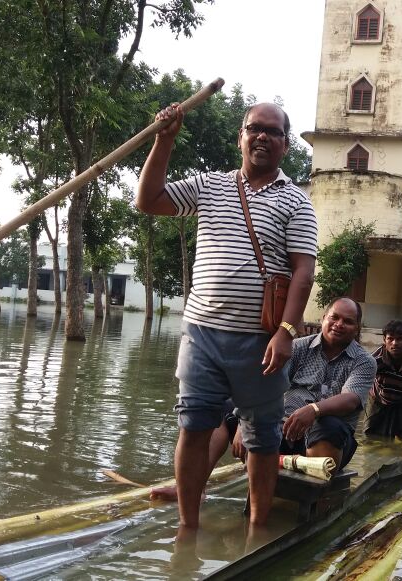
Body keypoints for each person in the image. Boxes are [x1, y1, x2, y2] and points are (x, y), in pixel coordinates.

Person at [136, 102, 318, 529]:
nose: (262, 137)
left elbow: (303, 272)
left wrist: (287, 332)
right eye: (254, 128)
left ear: (285, 145)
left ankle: (257, 528)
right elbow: (149, 201)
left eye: (273, 132)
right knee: (195, 427)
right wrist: (165, 139)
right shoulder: (209, 186)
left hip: (261, 341)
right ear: (241, 137)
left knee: (261, 438)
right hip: (201, 334)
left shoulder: (296, 202)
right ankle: (188, 528)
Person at [278, 297, 376, 471]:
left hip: (331, 440)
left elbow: (350, 399)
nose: (339, 324)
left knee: (328, 426)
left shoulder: (364, 361)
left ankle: (317, 492)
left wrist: (313, 410)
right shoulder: (297, 348)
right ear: (323, 318)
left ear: (357, 329)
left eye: (348, 321)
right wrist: (247, 422)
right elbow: (272, 384)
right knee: (230, 414)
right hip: (287, 431)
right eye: (334, 317)